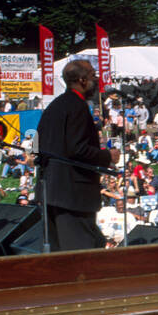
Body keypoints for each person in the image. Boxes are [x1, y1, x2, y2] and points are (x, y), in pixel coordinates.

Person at [37, 60, 119, 250]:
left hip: (51, 190)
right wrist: (108, 156)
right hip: (73, 194)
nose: (96, 80)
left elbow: (36, 143)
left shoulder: (54, 106)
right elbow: (77, 149)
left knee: (61, 254)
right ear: (82, 80)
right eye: (92, 75)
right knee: (80, 254)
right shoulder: (78, 107)